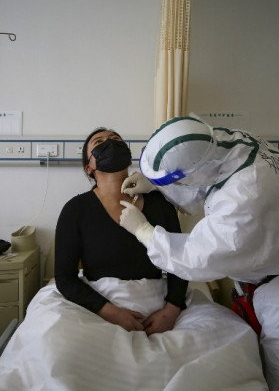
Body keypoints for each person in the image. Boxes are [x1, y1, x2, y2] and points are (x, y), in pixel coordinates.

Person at [118, 115, 279, 391]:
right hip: (270, 280)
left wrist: (144, 232)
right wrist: (154, 181)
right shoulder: (224, 142)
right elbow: (207, 178)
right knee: (269, 382)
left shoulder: (247, 198)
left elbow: (198, 256)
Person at [54, 127, 188, 334]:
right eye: (99, 142)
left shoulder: (160, 204)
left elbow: (180, 261)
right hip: (98, 305)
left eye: (116, 139)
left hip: (157, 304)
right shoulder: (76, 210)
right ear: (88, 167)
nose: (110, 142)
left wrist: (171, 310)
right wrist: (109, 311)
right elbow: (64, 278)